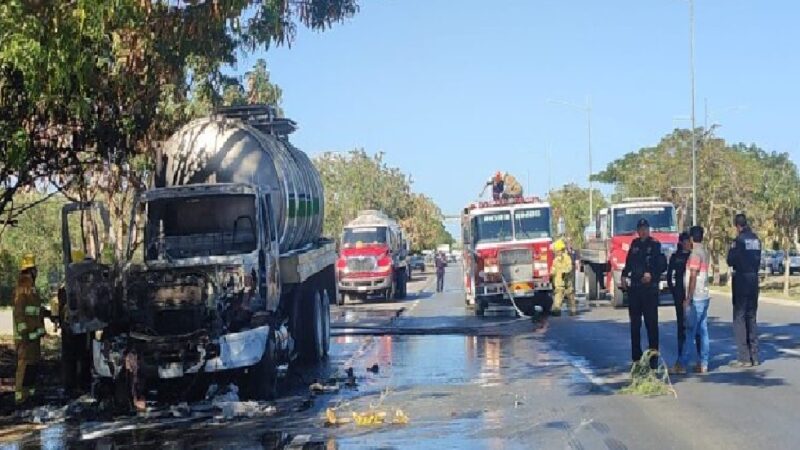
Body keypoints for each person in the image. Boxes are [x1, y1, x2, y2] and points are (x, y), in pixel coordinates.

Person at [621, 218, 667, 367]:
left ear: (649, 229)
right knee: (635, 325)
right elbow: (628, 263)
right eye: (640, 229)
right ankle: (636, 359)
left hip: (649, 291)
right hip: (635, 290)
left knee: (651, 325)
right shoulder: (634, 244)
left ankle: (653, 360)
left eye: (645, 228)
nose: (642, 231)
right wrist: (623, 275)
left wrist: (651, 275)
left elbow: (660, 265)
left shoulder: (654, 245)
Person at [672, 226, 711, 374]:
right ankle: (703, 363)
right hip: (705, 295)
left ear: (692, 239)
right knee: (703, 330)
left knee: (690, 331)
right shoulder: (705, 251)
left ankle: (682, 364)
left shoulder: (695, 254)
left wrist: (688, 298)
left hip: (697, 297)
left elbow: (693, 276)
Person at [726, 213, 761, 367]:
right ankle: (754, 355)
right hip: (754, 279)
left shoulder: (739, 240)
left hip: (741, 279)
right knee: (751, 316)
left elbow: (730, 260)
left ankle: (744, 358)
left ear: (737, 226)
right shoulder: (756, 239)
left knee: (739, 317)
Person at [13, 254, 47, 406]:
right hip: (26, 338)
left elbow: (36, 311)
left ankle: (30, 395)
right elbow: (19, 314)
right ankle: (20, 397)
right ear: (30, 270)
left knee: (33, 366)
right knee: (24, 366)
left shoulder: (31, 289)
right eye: (34, 269)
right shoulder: (22, 289)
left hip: (34, 337)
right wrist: (25, 333)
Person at [666, 232, 701, 363]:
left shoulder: (694, 256)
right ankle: (680, 356)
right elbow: (670, 275)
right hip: (680, 293)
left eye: (689, 241)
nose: (688, 244)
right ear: (681, 243)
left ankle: (699, 357)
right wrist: (673, 291)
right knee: (681, 325)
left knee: (696, 326)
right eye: (685, 241)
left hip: (693, 294)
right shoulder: (675, 257)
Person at [551, 239, 577, 316]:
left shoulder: (567, 258)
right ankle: (556, 310)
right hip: (559, 282)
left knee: (570, 295)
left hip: (567, 281)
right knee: (558, 296)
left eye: (558, 251)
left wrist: (564, 272)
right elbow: (553, 270)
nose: (557, 252)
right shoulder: (555, 260)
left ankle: (572, 310)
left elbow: (569, 267)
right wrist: (551, 274)